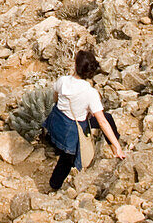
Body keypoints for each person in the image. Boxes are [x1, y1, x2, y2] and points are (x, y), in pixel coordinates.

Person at [43, 49, 124, 191]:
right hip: (73, 129)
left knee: (107, 118)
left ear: (76, 66)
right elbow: (102, 121)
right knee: (67, 159)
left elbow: (55, 97)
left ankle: (54, 179)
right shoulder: (90, 93)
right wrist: (117, 145)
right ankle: (54, 186)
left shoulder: (62, 81)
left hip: (56, 122)